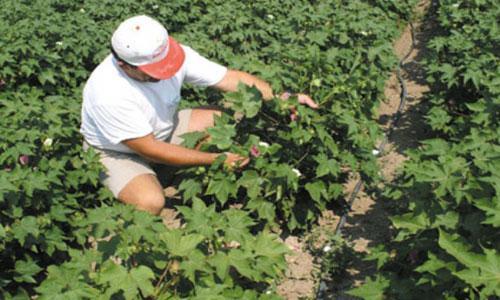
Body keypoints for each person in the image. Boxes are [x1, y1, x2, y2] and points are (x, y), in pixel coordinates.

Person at [80, 15, 317, 215]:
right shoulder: (108, 92)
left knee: (223, 120)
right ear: (125, 65)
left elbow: (230, 79)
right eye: (153, 72)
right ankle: (143, 180)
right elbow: (149, 148)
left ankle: (166, 169)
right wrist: (216, 159)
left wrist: (281, 99)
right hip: (118, 152)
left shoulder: (171, 54)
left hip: (165, 129)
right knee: (151, 202)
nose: (164, 73)